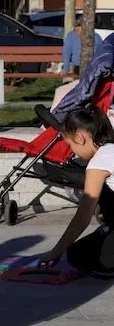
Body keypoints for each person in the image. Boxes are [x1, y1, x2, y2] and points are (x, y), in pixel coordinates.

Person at [38, 106, 114, 275]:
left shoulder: (98, 164)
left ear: (79, 138)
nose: (73, 152)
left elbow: (82, 217)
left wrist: (56, 251)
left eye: (70, 145)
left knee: (77, 255)